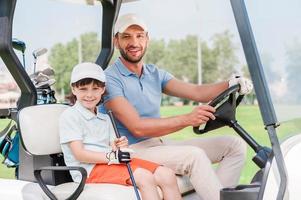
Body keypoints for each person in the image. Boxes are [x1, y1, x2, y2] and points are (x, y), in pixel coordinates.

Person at [102, 13, 253, 200]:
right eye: (126, 36)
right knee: (194, 156)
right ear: (116, 41)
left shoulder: (154, 74)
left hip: (158, 144)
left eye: (139, 36)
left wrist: (231, 83)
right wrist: (188, 119)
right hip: (133, 150)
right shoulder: (109, 79)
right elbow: (137, 127)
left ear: (147, 39)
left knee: (234, 146)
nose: (134, 42)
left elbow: (197, 92)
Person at [59, 62, 182, 200]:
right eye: (83, 89)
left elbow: (114, 147)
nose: (89, 94)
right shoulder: (70, 116)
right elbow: (80, 155)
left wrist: (120, 146)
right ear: (74, 89)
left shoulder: (105, 117)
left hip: (110, 163)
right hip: (88, 170)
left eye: (95, 88)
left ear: (102, 89)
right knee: (144, 177)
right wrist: (112, 157)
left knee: (166, 174)